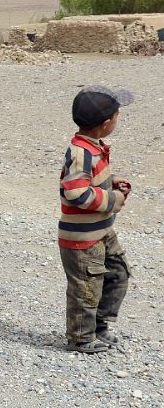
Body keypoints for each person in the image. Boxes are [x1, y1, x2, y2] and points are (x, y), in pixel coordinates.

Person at [58, 85, 134, 353]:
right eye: (116, 116)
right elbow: (77, 192)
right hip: (82, 238)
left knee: (117, 273)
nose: (117, 120)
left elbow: (91, 181)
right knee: (86, 287)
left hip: (101, 231)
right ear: (105, 124)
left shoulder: (94, 147)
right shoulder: (81, 153)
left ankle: (99, 324)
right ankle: (81, 337)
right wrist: (114, 200)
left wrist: (113, 182)